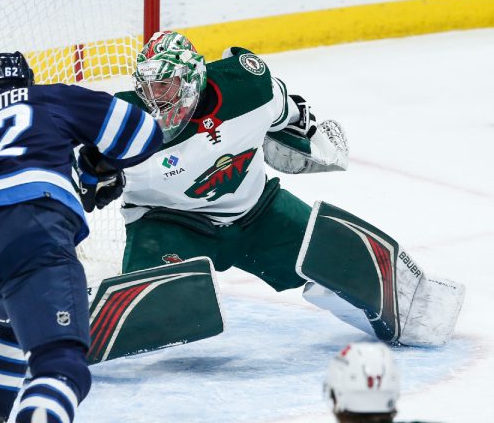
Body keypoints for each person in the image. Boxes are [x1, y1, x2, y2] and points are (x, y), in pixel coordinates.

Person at [114, 31, 465, 348]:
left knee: (334, 260)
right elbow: (77, 171)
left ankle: (386, 310)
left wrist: (306, 130)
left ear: (190, 80)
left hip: (258, 215)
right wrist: (95, 178)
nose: (153, 97)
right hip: (169, 227)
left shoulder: (247, 87)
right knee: (152, 309)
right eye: (147, 87)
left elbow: (290, 112)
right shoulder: (121, 120)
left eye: (163, 85)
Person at [0, 51, 162, 422]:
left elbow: (17, 163)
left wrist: (83, 174)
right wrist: (97, 163)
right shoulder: (47, 97)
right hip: (30, 227)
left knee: (9, 323)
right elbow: (143, 134)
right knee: (61, 366)